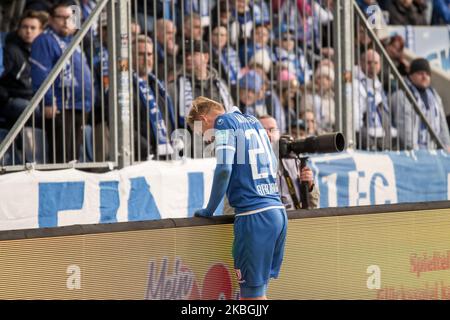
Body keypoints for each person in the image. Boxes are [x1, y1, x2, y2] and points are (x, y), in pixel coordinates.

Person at [189, 96, 287, 300]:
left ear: (203, 119)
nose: (207, 140)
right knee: (258, 293)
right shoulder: (253, 121)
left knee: (250, 298)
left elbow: (224, 169)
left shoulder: (223, 122)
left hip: (254, 216)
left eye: (201, 133)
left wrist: (209, 210)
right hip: (277, 212)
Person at [30, 1, 93, 163]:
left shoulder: (74, 40)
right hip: (61, 106)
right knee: (61, 156)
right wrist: (48, 101)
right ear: (50, 20)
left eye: (70, 17)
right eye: (61, 17)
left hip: (79, 105)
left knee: (73, 157)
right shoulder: (44, 40)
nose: (66, 22)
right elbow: (40, 73)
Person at [259, 115, 320, 210]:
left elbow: (313, 205)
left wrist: (310, 186)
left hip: (296, 220)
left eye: (272, 130)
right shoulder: (248, 164)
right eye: (262, 131)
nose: (268, 134)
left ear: (279, 134)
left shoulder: (295, 160)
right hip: (267, 221)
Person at [168, 40, 234, 128]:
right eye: (186, 55)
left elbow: (231, 112)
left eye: (193, 54)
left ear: (206, 57)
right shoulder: (175, 87)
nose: (188, 58)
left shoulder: (220, 85)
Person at [391, 58, 450, 150]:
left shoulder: (435, 97)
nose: (424, 76)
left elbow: (443, 125)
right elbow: (404, 130)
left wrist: (446, 146)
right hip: (412, 153)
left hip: (433, 152)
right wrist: (416, 152)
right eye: (420, 73)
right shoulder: (402, 96)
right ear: (410, 75)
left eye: (427, 74)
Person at [353, 49, 397, 150]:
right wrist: (367, 141)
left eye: (376, 63)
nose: (372, 66)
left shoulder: (379, 85)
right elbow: (356, 119)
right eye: (369, 62)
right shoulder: (355, 83)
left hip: (382, 137)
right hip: (366, 139)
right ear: (361, 63)